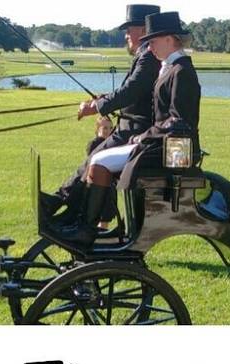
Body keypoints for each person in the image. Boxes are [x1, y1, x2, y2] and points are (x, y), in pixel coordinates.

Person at [54, 11, 200, 247]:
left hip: (171, 150)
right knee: (98, 158)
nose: (149, 48)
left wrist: (143, 136)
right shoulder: (170, 68)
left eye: (152, 41)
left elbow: (179, 120)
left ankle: (85, 228)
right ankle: (86, 223)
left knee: (99, 161)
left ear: (169, 39)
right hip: (160, 143)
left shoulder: (182, 72)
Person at [44, 4, 162, 229]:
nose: (126, 34)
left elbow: (131, 91)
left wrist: (96, 106)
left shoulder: (148, 58)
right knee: (91, 158)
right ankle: (62, 205)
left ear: (144, 30)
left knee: (95, 160)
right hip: (129, 127)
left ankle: (73, 214)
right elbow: (132, 93)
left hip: (135, 131)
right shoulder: (145, 57)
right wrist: (103, 99)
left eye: (130, 29)